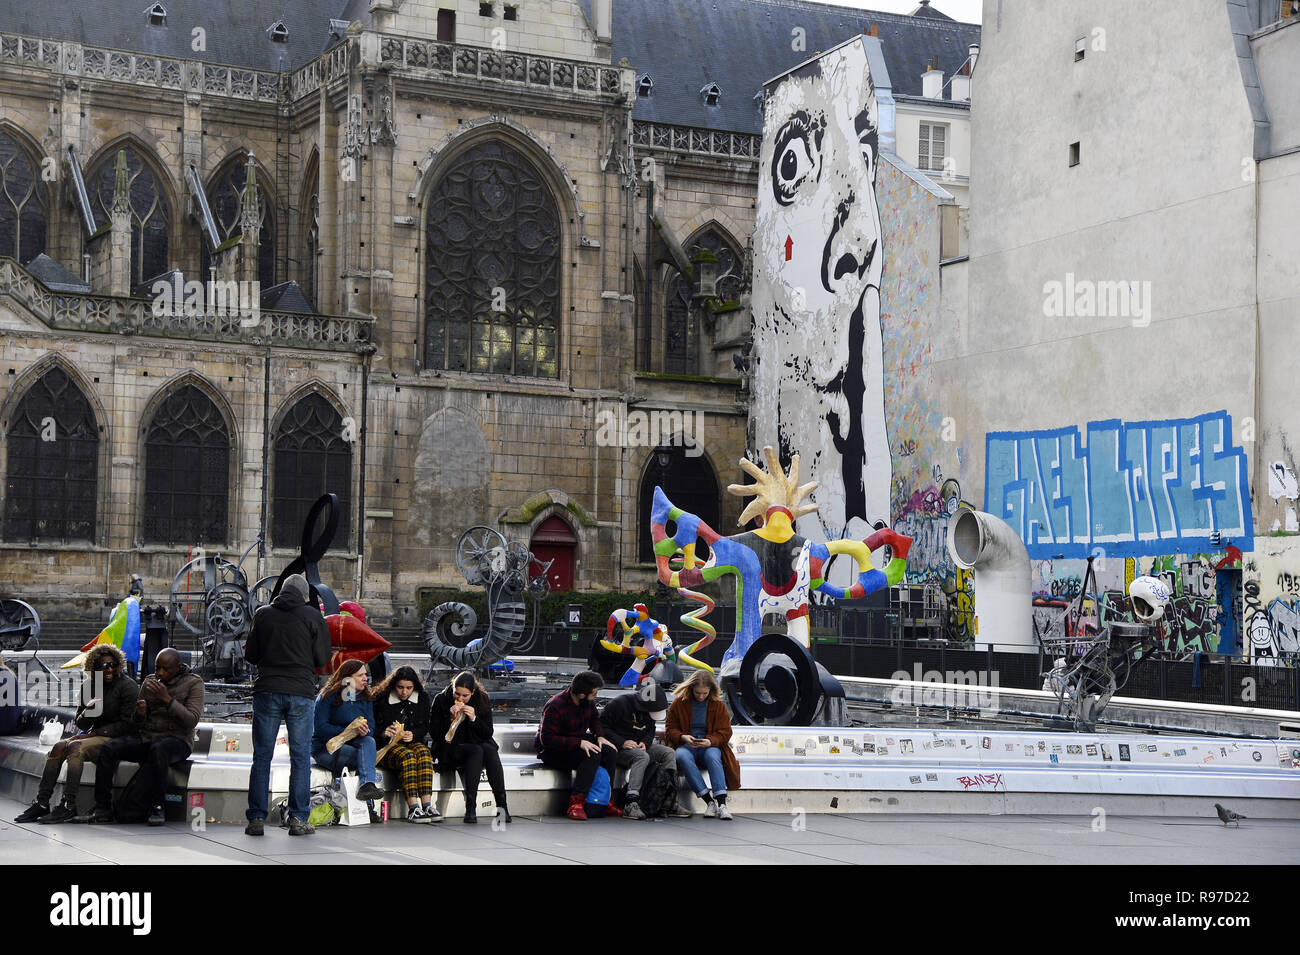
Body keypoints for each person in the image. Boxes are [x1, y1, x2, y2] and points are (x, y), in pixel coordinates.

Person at [243, 572, 331, 837]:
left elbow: (251, 655)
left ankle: (256, 819)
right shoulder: (313, 616)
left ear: (281, 591)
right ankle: (297, 818)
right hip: (301, 692)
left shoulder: (263, 614)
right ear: (304, 596)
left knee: (262, 756)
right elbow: (322, 658)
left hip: (267, 689)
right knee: (301, 757)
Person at [15, 644, 139, 823]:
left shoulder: (127, 686)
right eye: (104, 666)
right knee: (58, 747)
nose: (109, 669)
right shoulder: (90, 685)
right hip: (95, 735)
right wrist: (89, 710)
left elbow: (128, 725)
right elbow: (80, 722)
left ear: (119, 664)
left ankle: (68, 805)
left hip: (117, 738)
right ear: (94, 668)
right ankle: (41, 803)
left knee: (75, 748)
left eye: (113, 665)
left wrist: (94, 732)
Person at [80, 648, 204, 825]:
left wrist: (167, 699)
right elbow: (136, 723)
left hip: (177, 740)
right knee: (109, 748)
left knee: (159, 749)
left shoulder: (193, 683)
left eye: (165, 669)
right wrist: (140, 714)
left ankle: (158, 807)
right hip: (149, 737)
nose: (160, 673)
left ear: (177, 667)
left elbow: (191, 720)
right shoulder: (150, 681)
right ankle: (103, 807)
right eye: (157, 668)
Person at [535, 670, 620, 821]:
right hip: (553, 750)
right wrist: (579, 743)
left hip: (575, 741)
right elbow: (546, 739)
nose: (596, 696)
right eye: (594, 693)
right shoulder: (555, 705)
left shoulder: (587, 702)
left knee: (609, 751)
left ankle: (605, 799)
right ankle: (576, 802)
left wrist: (599, 736)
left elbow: (594, 719)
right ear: (581, 694)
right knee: (591, 754)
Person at [430, 670, 509, 824]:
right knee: (477, 750)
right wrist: (450, 719)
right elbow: (435, 733)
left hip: (476, 746)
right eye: (457, 694)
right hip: (450, 749)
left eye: (465, 696)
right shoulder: (441, 700)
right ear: (452, 688)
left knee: (489, 750)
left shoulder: (482, 699)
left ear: (472, 692)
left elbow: (487, 733)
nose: (460, 698)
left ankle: (502, 806)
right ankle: (471, 806)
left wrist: (474, 718)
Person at [666, 670, 740, 820]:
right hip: (688, 745)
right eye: (697, 693)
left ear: (711, 691)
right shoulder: (679, 703)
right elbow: (670, 728)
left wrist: (711, 741)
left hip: (709, 745)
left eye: (704, 693)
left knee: (713, 755)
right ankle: (709, 801)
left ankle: (722, 804)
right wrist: (683, 737)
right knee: (681, 755)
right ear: (691, 688)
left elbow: (726, 732)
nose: (701, 696)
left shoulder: (718, 705)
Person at [312, 659, 385, 812]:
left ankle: (367, 787)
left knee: (369, 742)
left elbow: (371, 727)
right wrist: (348, 730)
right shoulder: (328, 696)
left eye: (366, 674)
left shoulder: (365, 698)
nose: (365, 678)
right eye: (360, 675)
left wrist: (365, 731)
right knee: (364, 757)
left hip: (355, 744)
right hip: (326, 748)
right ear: (347, 678)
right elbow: (320, 728)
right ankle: (368, 807)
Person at [599, 679, 677, 820]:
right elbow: (601, 727)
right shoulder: (619, 704)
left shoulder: (650, 707)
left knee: (668, 753)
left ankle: (669, 799)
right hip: (617, 748)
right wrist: (622, 742)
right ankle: (631, 802)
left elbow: (651, 730)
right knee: (642, 756)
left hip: (639, 745)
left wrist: (645, 743)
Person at [372, 665, 440, 823]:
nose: (404, 692)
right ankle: (413, 807)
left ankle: (427, 804)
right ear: (393, 685)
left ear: (414, 686)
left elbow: (425, 726)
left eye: (409, 688)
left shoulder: (421, 698)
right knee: (408, 756)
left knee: (424, 753)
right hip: (386, 747)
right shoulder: (382, 698)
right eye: (400, 687)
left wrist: (414, 734)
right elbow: (373, 726)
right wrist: (384, 732)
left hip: (412, 742)